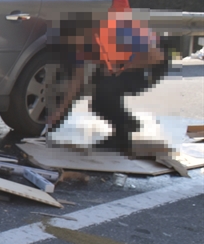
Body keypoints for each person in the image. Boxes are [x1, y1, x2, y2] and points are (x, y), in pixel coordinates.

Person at [47, 11, 167, 153]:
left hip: (151, 65)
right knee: (97, 103)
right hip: (126, 63)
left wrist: (122, 68)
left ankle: (122, 139)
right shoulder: (77, 45)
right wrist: (58, 114)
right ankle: (127, 121)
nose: (75, 47)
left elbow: (158, 56)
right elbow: (77, 81)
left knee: (107, 89)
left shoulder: (114, 31)